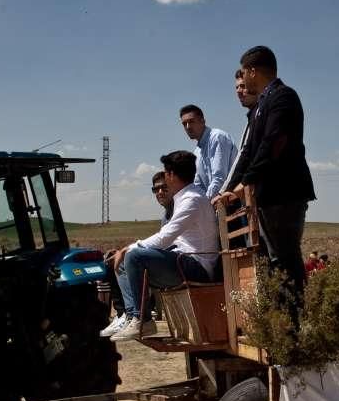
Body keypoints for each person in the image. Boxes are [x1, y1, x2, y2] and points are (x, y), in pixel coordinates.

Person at [214, 46, 316, 305]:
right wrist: (232, 187)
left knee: (284, 257)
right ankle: (279, 321)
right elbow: (249, 151)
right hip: (266, 195)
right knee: (271, 260)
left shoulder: (283, 97)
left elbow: (274, 143)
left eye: (244, 74)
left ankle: (294, 324)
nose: (243, 81)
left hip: (284, 192)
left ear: (252, 71)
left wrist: (247, 182)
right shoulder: (261, 105)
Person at [109, 150, 219, 341]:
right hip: (184, 260)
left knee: (133, 257)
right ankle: (132, 316)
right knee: (122, 264)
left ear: (171, 175)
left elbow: (165, 238)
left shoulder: (191, 200)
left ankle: (143, 320)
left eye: (166, 173)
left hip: (197, 266)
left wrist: (130, 247)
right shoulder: (186, 198)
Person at [100, 171, 175, 337]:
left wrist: (131, 249)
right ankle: (124, 314)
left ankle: (138, 316)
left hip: (175, 260)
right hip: (164, 257)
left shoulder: (178, 209)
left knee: (129, 257)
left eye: (164, 187)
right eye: (156, 189)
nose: (160, 192)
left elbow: (167, 242)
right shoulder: (166, 214)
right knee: (112, 259)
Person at [179, 104, 237, 200]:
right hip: (217, 203)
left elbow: (219, 178)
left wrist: (205, 205)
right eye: (184, 124)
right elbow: (198, 186)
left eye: (191, 121)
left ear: (203, 121)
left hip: (233, 201)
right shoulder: (197, 152)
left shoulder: (217, 137)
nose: (188, 127)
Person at [221, 69, 260, 192]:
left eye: (243, 86)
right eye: (236, 87)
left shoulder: (262, 115)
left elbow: (245, 157)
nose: (238, 91)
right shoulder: (251, 118)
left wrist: (225, 191)